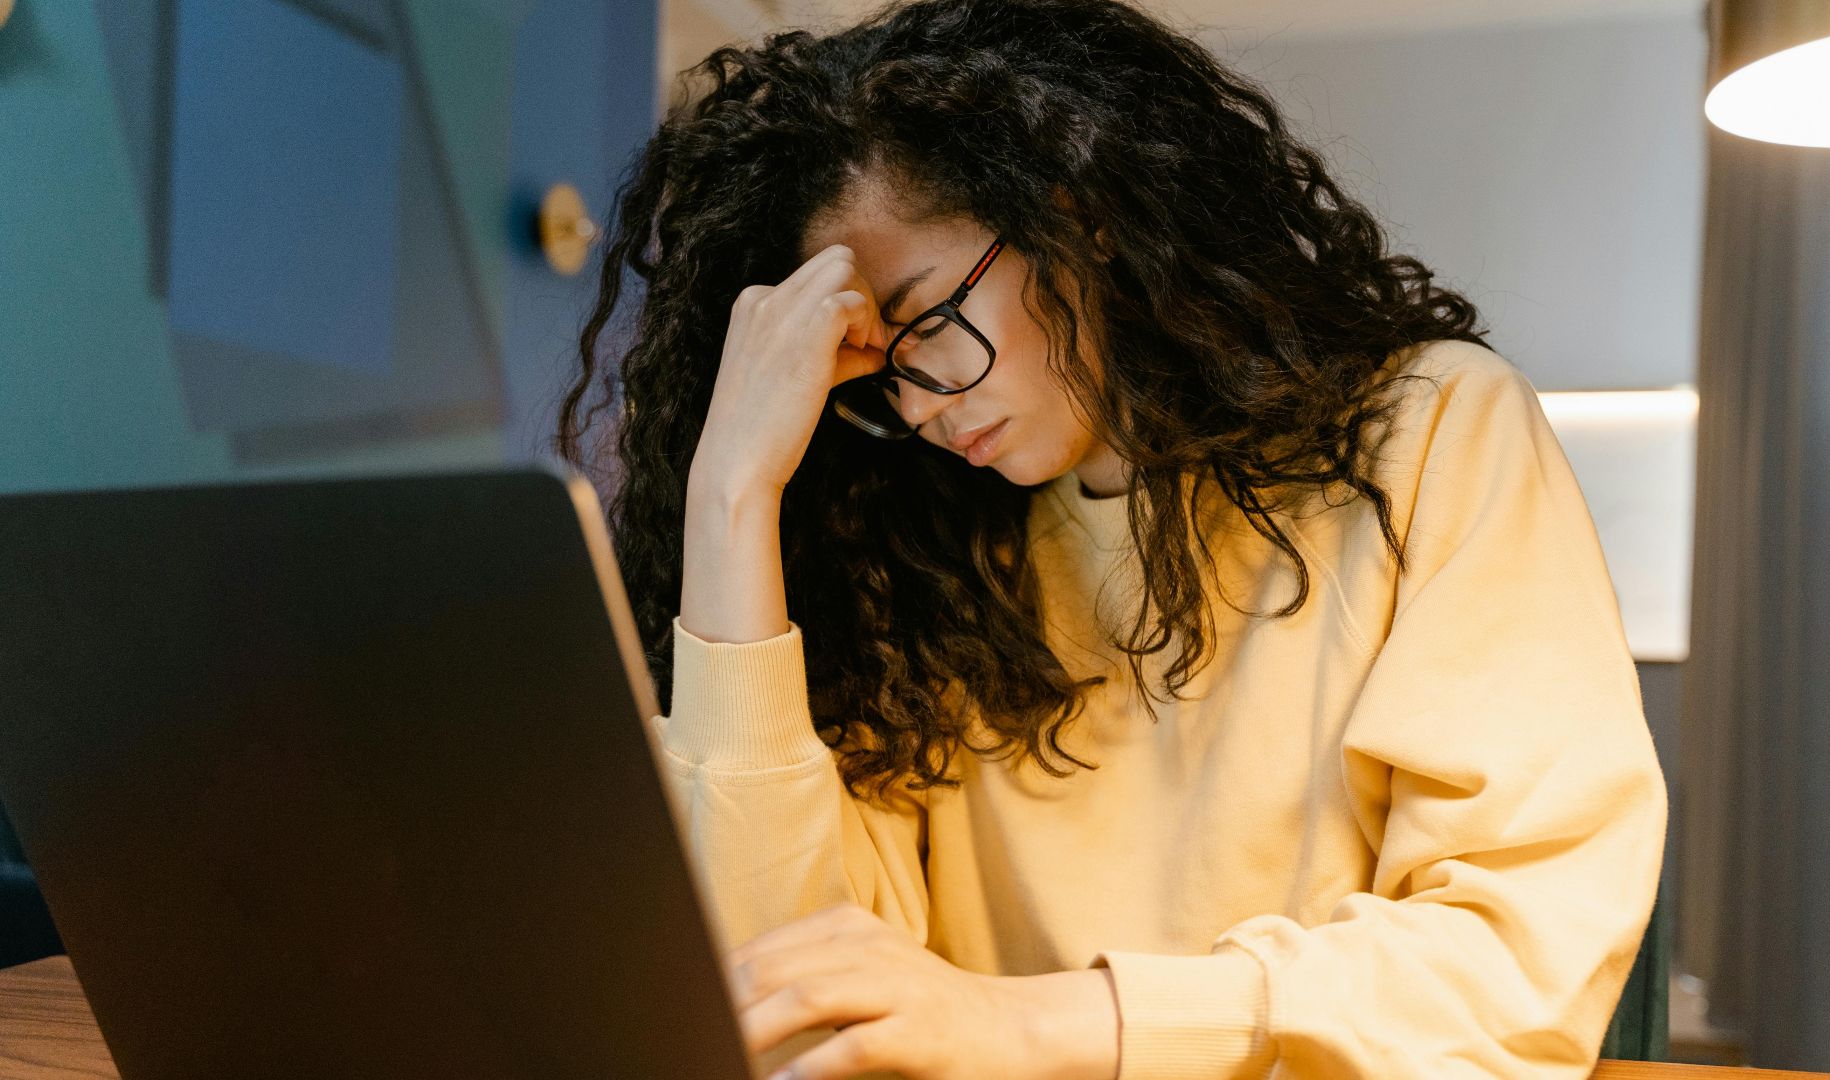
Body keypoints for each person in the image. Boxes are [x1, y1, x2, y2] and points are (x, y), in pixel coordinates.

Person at [554, 0, 1668, 1077]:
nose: (923, 402)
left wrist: (1034, 1026)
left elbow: (1512, 958)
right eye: (878, 369)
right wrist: (733, 493)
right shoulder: (918, 554)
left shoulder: (1429, 432)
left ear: (1074, 214)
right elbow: (788, 1000)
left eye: (932, 321)